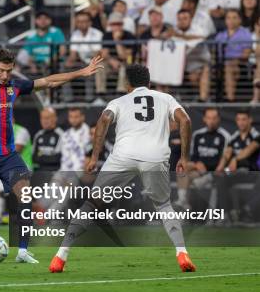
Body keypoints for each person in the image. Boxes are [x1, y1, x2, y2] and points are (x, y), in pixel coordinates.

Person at [0, 48, 104, 264]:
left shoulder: (15, 86)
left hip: (8, 156)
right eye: (2, 70)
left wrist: (81, 72)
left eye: (9, 71)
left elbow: (49, 82)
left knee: (25, 195)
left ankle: (23, 250)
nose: (6, 76)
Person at [49, 64, 196, 274]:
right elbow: (186, 120)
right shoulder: (166, 98)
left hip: (123, 157)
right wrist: (183, 157)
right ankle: (182, 253)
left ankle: (60, 256)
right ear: (149, 82)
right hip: (155, 157)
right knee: (163, 206)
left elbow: (103, 120)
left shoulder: (118, 102)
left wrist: (94, 157)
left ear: (127, 84)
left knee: (92, 205)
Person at [175, 108, 230, 209]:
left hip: (214, 173)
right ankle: (182, 201)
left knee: (192, 179)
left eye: (214, 118)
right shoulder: (198, 135)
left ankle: (184, 203)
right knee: (182, 168)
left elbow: (225, 160)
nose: (211, 121)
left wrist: (207, 167)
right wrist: (196, 164)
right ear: (204, 119)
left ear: (218, 119)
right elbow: (194, 156)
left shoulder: (225, 136)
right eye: (209, 118)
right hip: (198, 171)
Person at [172, 9, 211, 102]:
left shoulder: (198, 29)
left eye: (185, 18)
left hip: (199, 63)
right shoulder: (174, 31)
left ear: (191, 19)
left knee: (201, 72)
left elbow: (201, 38)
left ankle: (203, 100)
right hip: (180, 65)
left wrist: (179, 36)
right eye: (180, 19)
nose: (182, 21)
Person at [215, 9, 253, 101]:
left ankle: (230, 100)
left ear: (240, 20)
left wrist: (231, 60)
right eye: (228, 18)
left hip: (240, 64)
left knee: (229, 66)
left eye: (234, 18)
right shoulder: (220, 35)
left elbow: (246, 55)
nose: (231, 20)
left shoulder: (245, 34)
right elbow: (214, 54)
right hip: (220, 64)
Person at [99, 12, 135, 97]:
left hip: (127, 62)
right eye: (114, 24)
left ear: (122, 24)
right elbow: (104, 54)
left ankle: (121, 94)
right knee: (100, 66)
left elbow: (125, 56)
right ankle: (100, 95)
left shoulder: (129, 35)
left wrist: (117, 40)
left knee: (123, 68)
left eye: (119, 24)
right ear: (110, 25)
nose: (116, 26)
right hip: (111, 63)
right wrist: (111, 61)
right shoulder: (106, 35)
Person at [19, 9, 65, 75]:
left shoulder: (56, 31)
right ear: (36, 21)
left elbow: (62, 51)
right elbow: (25, 53)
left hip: (52, 65)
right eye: (39, 18)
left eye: (46, 18)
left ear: (50, 20)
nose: (43, 21)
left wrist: (51, 60)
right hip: (35, 65)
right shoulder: (31, 35)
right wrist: (31, 64)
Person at [32, 107, 63, 173]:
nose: (44, 121)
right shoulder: (38, 135)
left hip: (55, 172)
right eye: (42, 118)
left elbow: (57, 158)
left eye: (47, 118)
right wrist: (48, 156)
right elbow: (34, 157)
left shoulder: (61, 134)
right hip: (40, 171)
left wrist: (41, 155)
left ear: (55, 119)